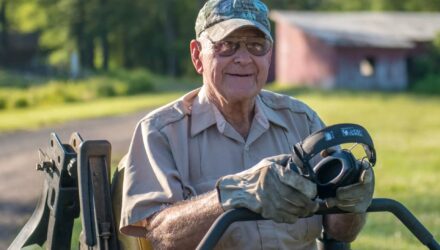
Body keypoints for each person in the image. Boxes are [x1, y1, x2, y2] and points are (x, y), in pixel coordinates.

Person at [118, 0, 375, 249]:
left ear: (269, 55)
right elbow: (159, 236)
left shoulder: (302, 121)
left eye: (256, 45)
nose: (243, 58)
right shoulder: (160, 132)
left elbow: (340, 232)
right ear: (197, 56)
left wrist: (352, 203)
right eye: (227, 45)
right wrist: (235, 194)